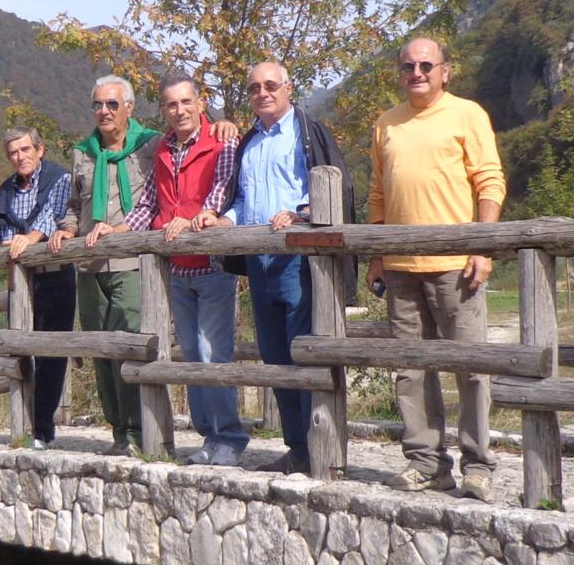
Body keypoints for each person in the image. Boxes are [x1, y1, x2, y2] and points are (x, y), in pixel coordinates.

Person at [196, 58, 356, 476]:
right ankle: (298, 449)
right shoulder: (249, 143)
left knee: (306, 351)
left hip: (298, 261)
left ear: (288, 88)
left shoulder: (308, 133)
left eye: (270, 85)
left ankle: (322, 448)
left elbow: (332, 187)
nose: (262, 93)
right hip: (258, 262)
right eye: (254, 87)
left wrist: (300, 214)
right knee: (275, 356)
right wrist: (223, 220)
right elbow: (241, 201)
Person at [368, 37, 506, 498]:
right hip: (400, 267)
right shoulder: (386, 123)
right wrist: (377, 256)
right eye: (408, 66)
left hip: (456, 266)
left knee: (470, 368)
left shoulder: (468, 114)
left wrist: (482, 246)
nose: (417, 73)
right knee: (411, 369)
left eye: (426, 65)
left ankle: (478, 467)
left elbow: (490, 181)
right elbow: (378, 194)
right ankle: (427, 464)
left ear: (445, 71)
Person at [94, 74, 246, 466]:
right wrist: (119, 229)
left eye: (186, 102)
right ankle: (209, 437)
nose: (180, 110)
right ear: (163, 109)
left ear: (200, 103)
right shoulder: (163, 148)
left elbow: (221, 192)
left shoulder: (221, 141)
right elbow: (149, 203)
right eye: (171, 104)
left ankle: (229, 438)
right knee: (192, 353)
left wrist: (195, 218)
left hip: (212, 265)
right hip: (177, 270)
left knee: (213, 353)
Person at [51, 77, 161, 455]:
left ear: (129, 107)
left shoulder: (150, 145)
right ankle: (119, 432)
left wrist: (221, 124)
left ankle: (139, 432)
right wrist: (67, 229)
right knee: (100, 350)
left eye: (112, 104)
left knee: (128, 345)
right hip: (90, 265)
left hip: (132, 263)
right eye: (98, 104)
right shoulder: (83, 152)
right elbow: (75, 203)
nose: (104, 111)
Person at [0, 127, 73, 449]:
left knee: (51, 355)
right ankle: (23, 425)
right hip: (20, 283)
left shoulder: (59, 179)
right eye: (13, 152)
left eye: (25, 150)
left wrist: (31, 237)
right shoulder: (6, 190)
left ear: (40, 150)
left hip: (55, 276)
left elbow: (55, 216)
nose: (20, 157)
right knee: (19, 352)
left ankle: (42, 430)